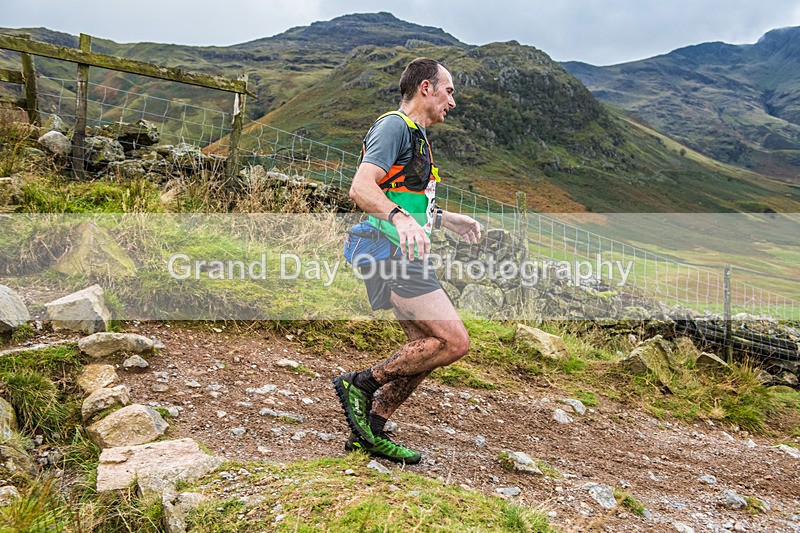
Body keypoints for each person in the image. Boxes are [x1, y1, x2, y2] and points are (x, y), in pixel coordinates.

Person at [332, 57, 482, 464]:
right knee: (453, 341)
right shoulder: (395, 126)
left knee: (425, 345)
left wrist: (445, 218)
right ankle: (360, 384)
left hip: (403, 252)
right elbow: (361, 188)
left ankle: (371, 431)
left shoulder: (416, 135)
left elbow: (402, 196)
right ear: (426, 88)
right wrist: (399, 221)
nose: (453, 101)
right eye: (448, 91)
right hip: (391, 252)